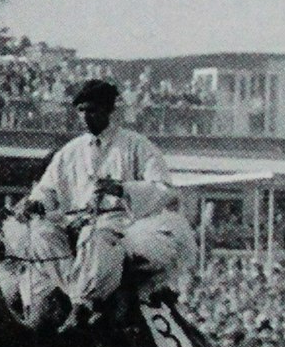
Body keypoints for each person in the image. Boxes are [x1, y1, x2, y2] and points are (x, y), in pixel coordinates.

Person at [24, 78, 193, 330]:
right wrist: (36, 203)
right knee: (40, 235)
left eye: (91, 110)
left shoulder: (136, 145)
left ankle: (84, 304)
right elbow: (47, 190)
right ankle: (77, 293)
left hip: (119, 222)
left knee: (96, 236)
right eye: (81, 110)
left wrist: (123, 189)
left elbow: (164, 189)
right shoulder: (69, 152)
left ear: (108, 110)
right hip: (74, 221)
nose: (85, 117)